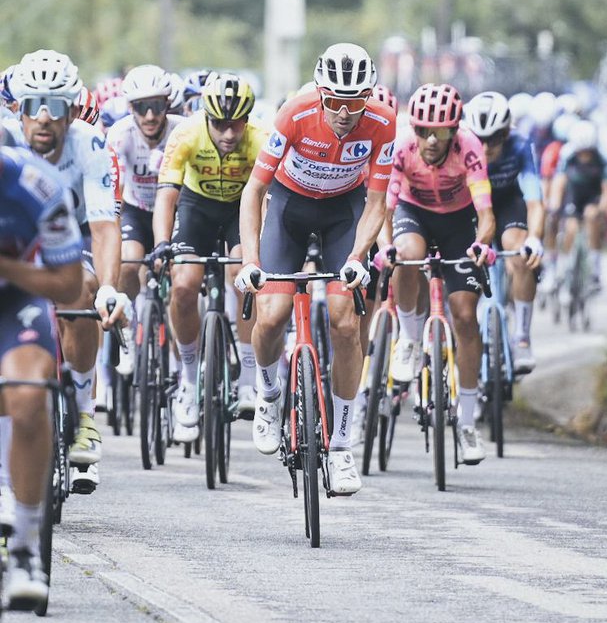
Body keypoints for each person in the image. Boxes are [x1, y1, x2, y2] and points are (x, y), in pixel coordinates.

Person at [236, 43, 396, 495]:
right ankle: (268, 396)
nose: (345, 113)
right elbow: (254, 192)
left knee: (346, 322)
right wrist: (250, 261)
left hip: (343, 211)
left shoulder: (384, 122)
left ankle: (342, 446)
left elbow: (377, 201)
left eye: (356, 101)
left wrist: (355, 259)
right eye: (335, 102)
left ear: (369, 95)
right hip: (289, 207)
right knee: (270, 314)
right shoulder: (294, 113)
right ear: (320, 92)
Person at [10, 50, 130, 493]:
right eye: (32, 105)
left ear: (72, 110)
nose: (43, 117)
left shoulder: (90, 144)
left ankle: (83, 415)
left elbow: (103, 227)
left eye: (55, 106)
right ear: (17, 109)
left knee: (84, 294)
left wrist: (111, 288)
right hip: (20, 239)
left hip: (73, 235)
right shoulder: (5, 140)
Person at [381, 83, 495, 464]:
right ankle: (410, 340)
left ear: (454, 130)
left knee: (464, 316)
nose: (431, 140)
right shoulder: (402, 148)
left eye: (441, 132)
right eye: (423, 130)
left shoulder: (470, 148)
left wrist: (480, 243)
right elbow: (386, 207)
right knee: (406, 254)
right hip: (413, 214)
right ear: (413, 128)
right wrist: (385, 248)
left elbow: (486, 213)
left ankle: (466, 422)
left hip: (458, 222)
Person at [152, 72, 264, 441]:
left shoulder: (261, 139)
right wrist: (161, 242)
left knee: (243, 278)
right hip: (197, 208)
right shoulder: (185, 134)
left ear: (246, 120)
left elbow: (271, 198)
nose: (228, 135)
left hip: (239, 210)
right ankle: (187, 378)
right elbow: (166, 195)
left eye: (236, 125)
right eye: (219, 125)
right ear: (206, 118)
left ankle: (248, 378)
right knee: (183, 286)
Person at [0, 144, 82, 609]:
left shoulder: (38, 184)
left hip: (18, 298)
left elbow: (69, 284)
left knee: (29, 395)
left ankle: (26, 548)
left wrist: (6, 267)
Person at [106, 65, 181, 373]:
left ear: (167, 104)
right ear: (130, 108)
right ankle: (128, 324)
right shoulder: (120, 135)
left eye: (157, 106)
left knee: (183, 277)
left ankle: (182, 356)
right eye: (141, 107)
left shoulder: (182, 130)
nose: (150, 116)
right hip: (135, 208)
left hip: (175, 209)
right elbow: (114, 197)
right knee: (128, 261)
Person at [463, 91, 545, 372]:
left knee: (519, 252)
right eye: (479, 139)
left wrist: (534, 238)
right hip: (472, 207)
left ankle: (522, 337)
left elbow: (535, 201)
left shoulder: (521, 144)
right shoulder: (458, 145)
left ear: (507, 132)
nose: (486, 148)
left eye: (495, 139)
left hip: (509, 203)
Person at [549, 120, 607, 296]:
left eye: (587, 152)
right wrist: (554, 203)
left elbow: (606, 189)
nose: (584, 155)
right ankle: (564, 267)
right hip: (574, 198)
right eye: (581, 152)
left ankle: (594, 270)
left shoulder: (601, 161)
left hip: (593, 198)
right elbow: (559, 182)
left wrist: (602, 207)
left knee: (592, 218)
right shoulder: (568, 157)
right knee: (570, 228)